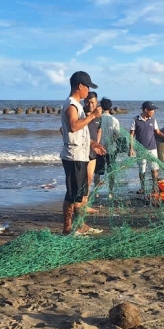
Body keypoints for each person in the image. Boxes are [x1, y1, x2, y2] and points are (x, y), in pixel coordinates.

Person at [60, 71, 105, 235]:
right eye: (87, 86)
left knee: (79, 195)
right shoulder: (72, 104)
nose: (88, 90)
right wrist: (93, 115)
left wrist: (93, 144)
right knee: (72, 195)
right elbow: (73, 126)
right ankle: (67, 229)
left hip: (81, 155)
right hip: (73, 157)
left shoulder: (77, 105)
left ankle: (80, 225)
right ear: (80, 86)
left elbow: (78, 132)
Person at [130, 101, 164, 195]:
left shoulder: (153, 120)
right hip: (140, 149)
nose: (154, 112)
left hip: (152, 148)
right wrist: (131, 148)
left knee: (154, 168)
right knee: (142, 169)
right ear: (146, 110)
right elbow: (131, 135)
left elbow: (158, 133)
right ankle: (142, 187)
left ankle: (155, 187)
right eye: (152, 110)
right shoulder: (135, 120)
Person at [96, 97, 121, 198]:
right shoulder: (114, 120)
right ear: (110, 108)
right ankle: (111, 192)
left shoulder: (98, 119)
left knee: (98, 172)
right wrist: (109, 143)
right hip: (111, 149)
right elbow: (117, 135)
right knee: (111, 171)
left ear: (101, 107)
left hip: (99, 149)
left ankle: (96, 192)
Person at [83, 92, 102, 209]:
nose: (90, 105)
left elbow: (99, 129)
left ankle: (86, 203)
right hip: (81, 152)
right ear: (84, 102)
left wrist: (97, 144)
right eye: (88, 102)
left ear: (97, 102)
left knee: (89, 179)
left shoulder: (98, 116)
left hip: (93, 152)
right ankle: (79, 203)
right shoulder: (81, 114)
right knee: (81, 179)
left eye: (93, 102)